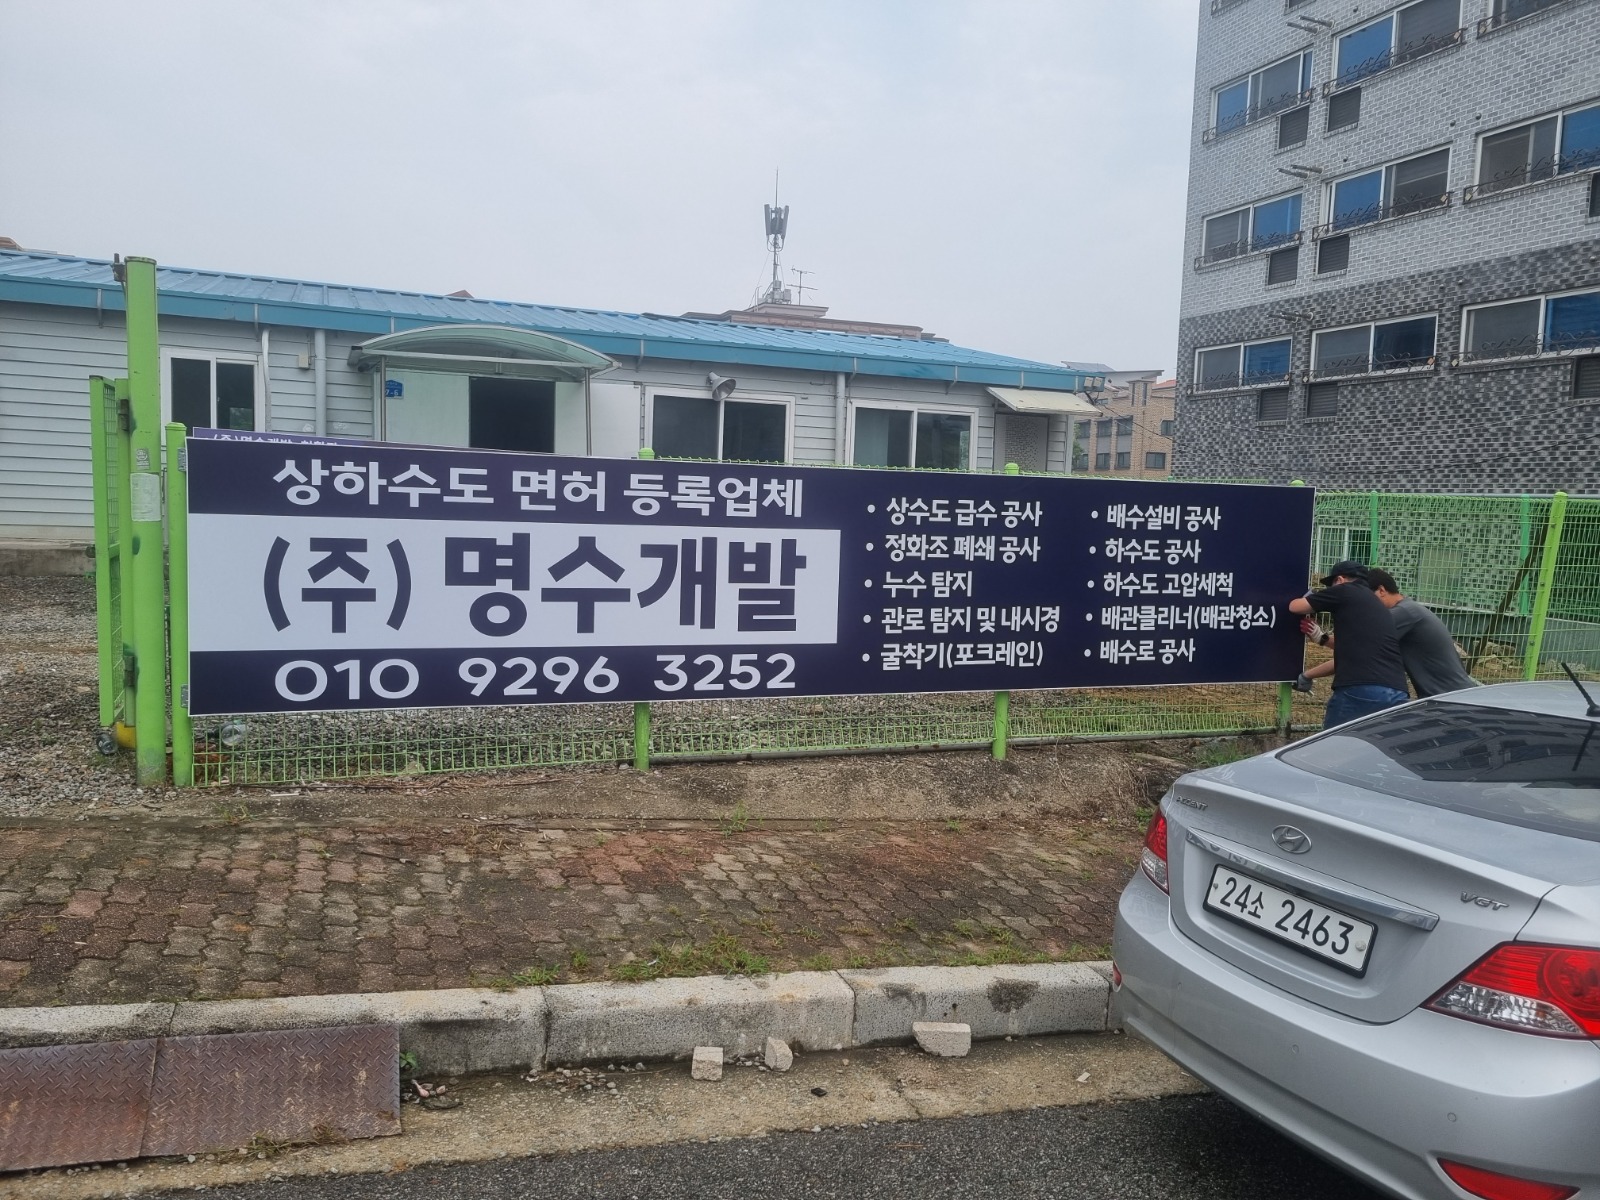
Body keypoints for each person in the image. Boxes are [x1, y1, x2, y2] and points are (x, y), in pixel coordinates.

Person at [1287, 560, 1409, 728]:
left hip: (1360, 689)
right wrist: (1321, 638)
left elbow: (1295, 607)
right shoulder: (1376, 605)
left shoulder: (1345, 590)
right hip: (1397, 692)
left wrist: (1309, 597)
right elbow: (1355, 647)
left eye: (1331, 585)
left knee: (1333, 740)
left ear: (1340, 580)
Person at [1365, 568, 1478, 697]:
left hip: (1449, 697)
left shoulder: (1403, 612)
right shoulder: (1409, 609)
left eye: (1367, 598)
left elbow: (1362, 637)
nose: (1366, 605)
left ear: (1381, 590)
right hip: (1451, 694)